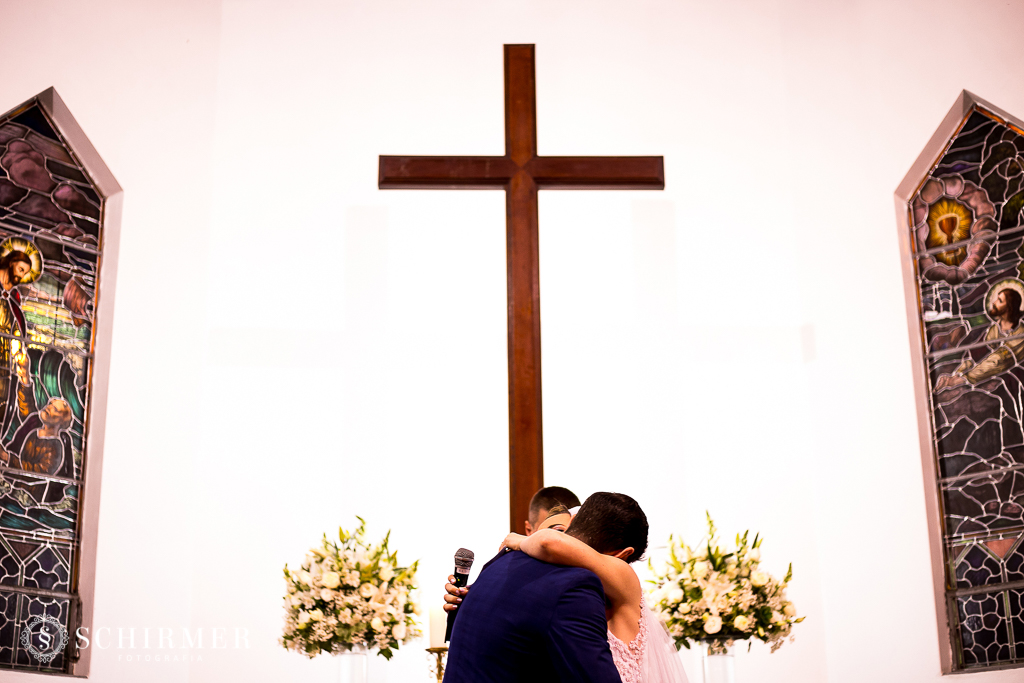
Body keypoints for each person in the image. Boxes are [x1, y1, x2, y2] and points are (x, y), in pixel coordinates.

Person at [449, 493, 689, 683]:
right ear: (625, 554)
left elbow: (547, 541)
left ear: (573, 521)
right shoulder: (576, 587)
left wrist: (518, 540)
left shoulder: (500, 562)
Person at [936, 280, 1024, 390]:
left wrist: (961, 380)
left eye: (1000, 301)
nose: (994, 302)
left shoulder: (1020, 335)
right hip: (983, 375)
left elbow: (998, 360)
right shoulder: (995, 329)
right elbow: (977, 353)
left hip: (1013, 380)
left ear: (1010, 307)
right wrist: (957, 373)